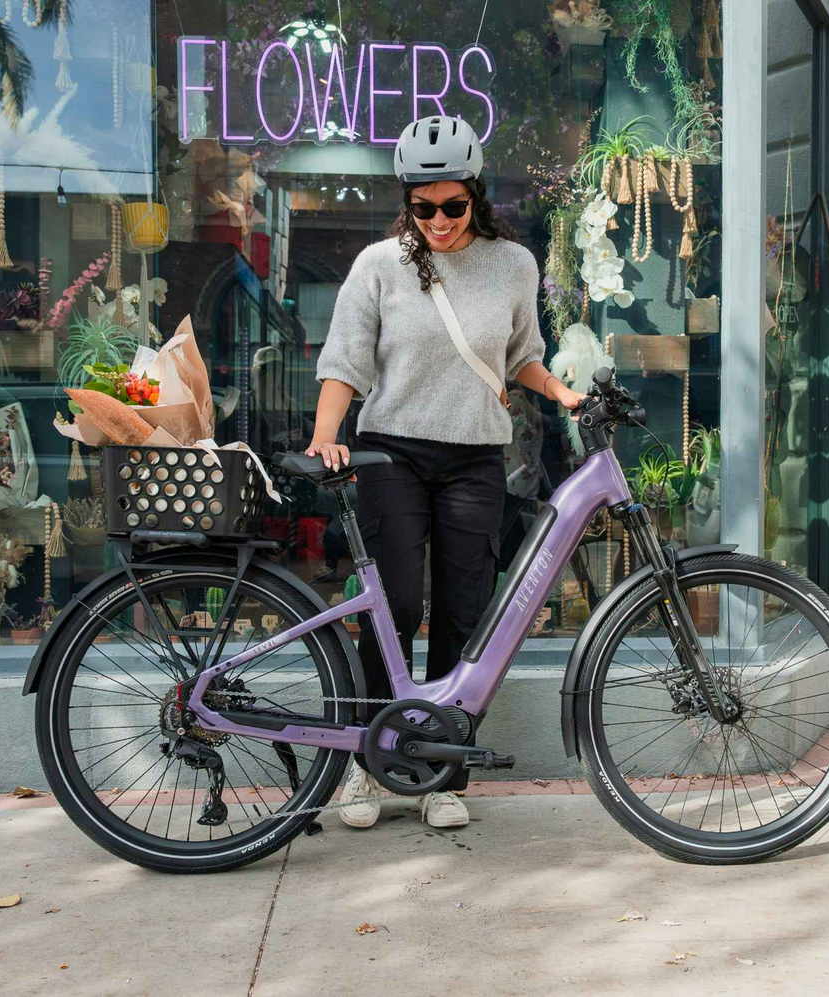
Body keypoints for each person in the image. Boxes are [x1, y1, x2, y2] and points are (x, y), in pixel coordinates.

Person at [308, 115, 584, 829]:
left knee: (464, 618)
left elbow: (521, 354)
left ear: (476, 195)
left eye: (452, 206)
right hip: (391, 452)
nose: (438, 220)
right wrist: (324, 436)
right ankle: (368, 768)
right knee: (393, 611)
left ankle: (441, 774)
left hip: (474, 459)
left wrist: (557, 391)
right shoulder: (378, 265)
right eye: (422, 207)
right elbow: (346, 360)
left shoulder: (513, 264)